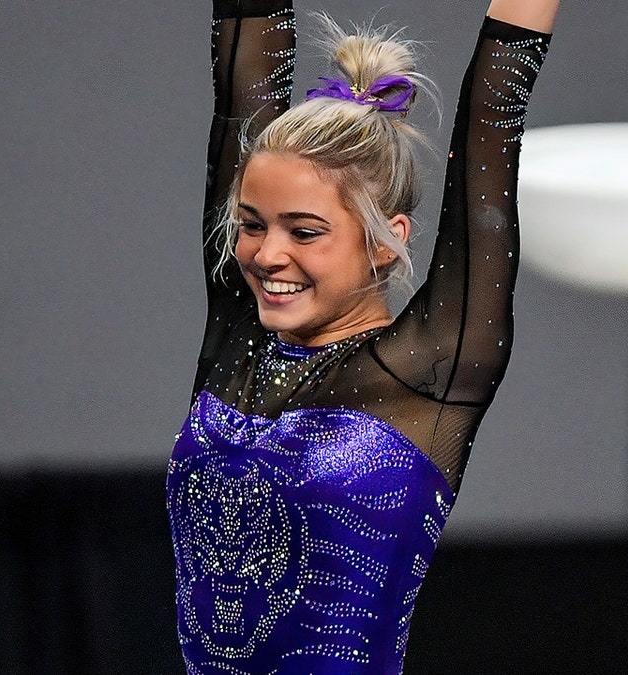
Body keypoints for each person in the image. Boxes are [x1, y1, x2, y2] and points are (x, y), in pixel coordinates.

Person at [166, 0, 557, 672]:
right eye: (252, 223)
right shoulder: (242, 338)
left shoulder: (426, 368)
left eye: (305, 231)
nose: (266, 254)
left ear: (386, 241)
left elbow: (494, 116)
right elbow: (241, 68)